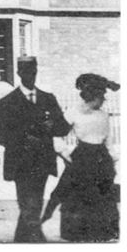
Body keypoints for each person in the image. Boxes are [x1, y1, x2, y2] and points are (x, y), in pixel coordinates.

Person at [0, 56, 71, 243]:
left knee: (33, 204)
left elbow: (63, 128)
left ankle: (22, 241)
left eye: (34, 72)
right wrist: (24, 138)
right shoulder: (8, 102)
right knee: (28, 204)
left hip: (42, 162)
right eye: (27, 72)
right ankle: (37, 241)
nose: (31, 76)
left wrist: (51, 125)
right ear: (19, 73)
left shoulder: (48, 99)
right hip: (20, 162)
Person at [42, 73, 120, 242]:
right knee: (79, 195)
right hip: (83, 158)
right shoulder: (74, 112)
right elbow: (57, 133)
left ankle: (103, 233)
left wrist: (113, 159)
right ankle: (78, 234)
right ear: (93, 96)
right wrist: (64, 152)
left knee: (103, 195)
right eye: (101, 96)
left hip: (102, 159)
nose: (103, 100)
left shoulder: (104, 115)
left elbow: (108, 141)